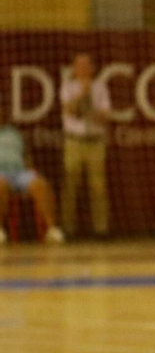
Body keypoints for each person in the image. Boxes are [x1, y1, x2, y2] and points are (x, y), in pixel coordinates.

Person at [58, 52, 112, 239]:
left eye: (85, 65)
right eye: (78, 65)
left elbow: (106, 116)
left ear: (92, 68)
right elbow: (69, 110)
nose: (82, 69)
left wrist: (93, 112)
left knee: (98, 186)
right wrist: (83, 93)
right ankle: (67, 229)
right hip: (74, 140)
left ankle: (101, 229)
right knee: (70, 184)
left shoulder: (101, 87)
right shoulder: (68, 87)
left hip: (95, 142)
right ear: (74, 68)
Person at [0, 103, 65, 245]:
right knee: (1, 185)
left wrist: (30, 168)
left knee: (40, 184)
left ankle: (52, 229)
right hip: (1, 174)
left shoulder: (12, 132)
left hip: (19, 172)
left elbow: (25, 154)